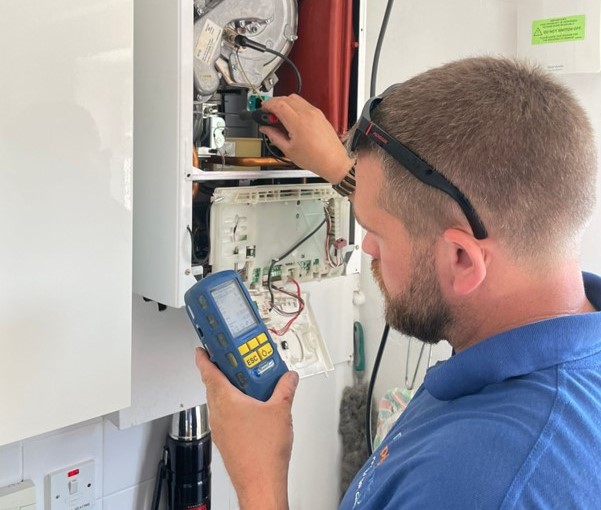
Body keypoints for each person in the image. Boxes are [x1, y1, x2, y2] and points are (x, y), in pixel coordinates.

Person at [195, 56, 601, 508]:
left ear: (462, 259)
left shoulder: (470, 484)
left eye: (377, 232)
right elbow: (427, 211)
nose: (366, 246)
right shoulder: (563, 346)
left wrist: (259, 478)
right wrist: (344, 171)